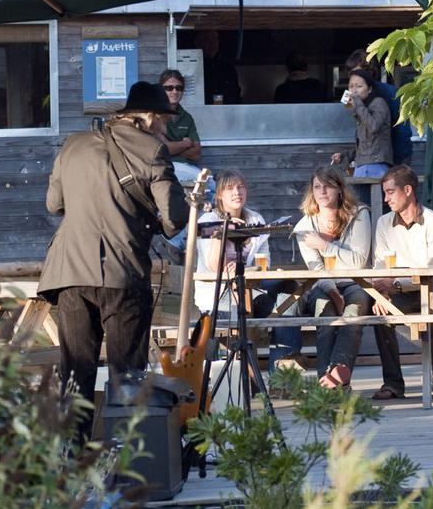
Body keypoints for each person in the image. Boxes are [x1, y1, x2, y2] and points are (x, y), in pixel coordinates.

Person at [38, 81, 188, 441]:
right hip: (122, 272)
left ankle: (72, 456)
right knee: (127, 373)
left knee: (76, 370)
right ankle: (126, 457)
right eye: (164, 121)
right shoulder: (154, 150)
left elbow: (53, 205)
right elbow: (175, 217)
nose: (164, 128)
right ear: (150, 118)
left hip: (68, 271)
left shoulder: (73, 145)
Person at [369, 165, 433, 401]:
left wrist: (397, 284)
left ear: (407, 190)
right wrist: (382, 293)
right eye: (385, 193)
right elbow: (379, 265)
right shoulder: (383, 223)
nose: (386, 198)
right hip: (399, 290)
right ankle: (393, 383)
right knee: (379, 313)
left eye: (390, 192)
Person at [194, 169, 297, 372]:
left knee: (289, 298)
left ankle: (281, 377)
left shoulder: (254, 218)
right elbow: (214, 267)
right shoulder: (207, 221)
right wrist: (222, 232)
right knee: (241, 313)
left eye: (240, 187)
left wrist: (246, 268)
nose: (237, 192)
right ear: (220, 195)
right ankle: (247, 377)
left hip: (250, 289)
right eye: (230, 188)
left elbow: (263, 261)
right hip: (217, 295)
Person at [293, 165, 372, 388]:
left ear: (339, 189)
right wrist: (331, 289)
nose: (322, 191)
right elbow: (315, 268)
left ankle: (333, 378)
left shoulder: (358, 213)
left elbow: (358, 262)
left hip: (356, 282)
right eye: (317, 186)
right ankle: (328, 381)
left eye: (328, 186)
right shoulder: (304, 226)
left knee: (353, 313)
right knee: (324, 314)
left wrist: (324, 245)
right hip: (323, 285)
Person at [158, 69, 215, 253]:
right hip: (167, 167)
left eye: (178, 87)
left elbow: (197, 152)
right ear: (161, 89)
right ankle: (178, 241)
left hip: (188, 166)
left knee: (208, 194)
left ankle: (183, 241)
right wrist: (185, 143)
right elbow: (162, 150)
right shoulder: (157, 115)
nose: (174, 91)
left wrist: (176, 146)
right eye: (169, 88)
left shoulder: (187, 116)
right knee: (209, 185)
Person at [346, 50, 413, 166]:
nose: (354, 79)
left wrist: (399, 160)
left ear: (368, 72)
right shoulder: (352, 93)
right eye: (351, 75)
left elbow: (402, 129)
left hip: (392, 155)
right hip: (365, 156)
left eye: (358, 74)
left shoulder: (388, 92)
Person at [331, 68, 393, 179]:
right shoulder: (363, 108)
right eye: (351, 86)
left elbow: (373, 127)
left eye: (359, 86)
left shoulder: (379, 103)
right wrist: (346, 156)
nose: (354, 91)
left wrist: (358, 105)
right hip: (363, 165)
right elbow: (366, 144)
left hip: (376, 164)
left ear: (369, 89)